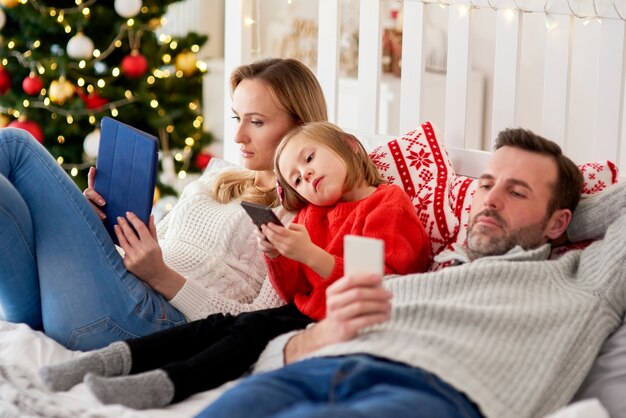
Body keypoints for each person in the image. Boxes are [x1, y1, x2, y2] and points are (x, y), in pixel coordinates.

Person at [195, 128, 626, 418]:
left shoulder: (581, 279)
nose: (490, 200)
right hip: (317, 367)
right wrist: (315, 339)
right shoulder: (437, 268)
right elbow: (288, 342)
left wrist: (568, 221)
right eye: (485, 184)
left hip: (431, 395)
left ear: (558, 222)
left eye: (516, 191)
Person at [38, 121, 431, 409]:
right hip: (303, 310)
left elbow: (380, 282)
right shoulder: (314, 213)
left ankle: (162, 386)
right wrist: (276, 254)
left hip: (337, 319)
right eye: (296, 177)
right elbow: (296, 288)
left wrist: (311, 254)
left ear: (351, 145)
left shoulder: (386, 204)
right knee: (214, 328)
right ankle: (107, 360)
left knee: (245, 334)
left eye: (309, 159)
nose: (306, 175)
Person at [0, 58, 327, 351]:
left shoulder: (302, 214)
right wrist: (95, 227)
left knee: (14, 144)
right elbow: (160, 245)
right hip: (111, 293)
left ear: (300, 127)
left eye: (256, 122)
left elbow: (261, 322)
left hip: (152, 320)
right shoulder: (220, 176)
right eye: (236, 117)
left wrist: (160, 276)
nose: (238, 135)